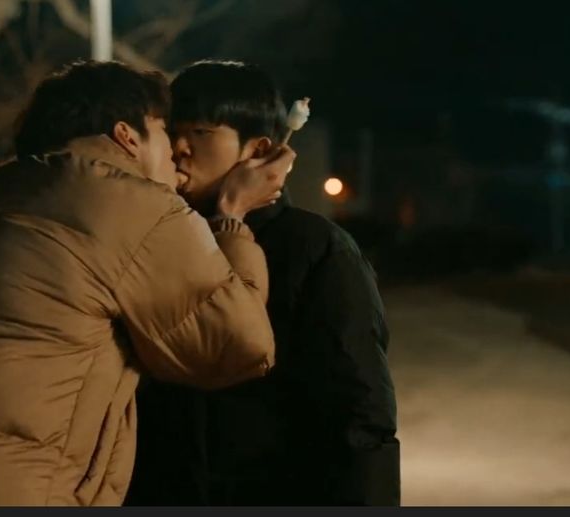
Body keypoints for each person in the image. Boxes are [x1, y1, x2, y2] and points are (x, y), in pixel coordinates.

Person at [0, 59, 295, 506]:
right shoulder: (132, 204)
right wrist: (231, 217)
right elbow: (239, 344)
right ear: (128, 137)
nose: (176, 152)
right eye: (164, 133)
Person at [125, 60, 400, 506]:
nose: (179, 148)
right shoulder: (156, 239)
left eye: (200, 132)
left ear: (258, 150)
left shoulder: (313, 247)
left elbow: (359, 410)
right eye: (173, 131)